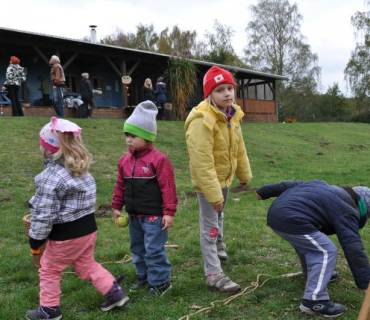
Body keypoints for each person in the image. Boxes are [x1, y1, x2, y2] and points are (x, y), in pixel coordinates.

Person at [26, 117, 129, 320]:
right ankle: (114, 292)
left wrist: (35, 239)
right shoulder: (82, 172)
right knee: (86, 264)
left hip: (66, 236)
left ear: (48, 149)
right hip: (87, 231)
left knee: (49, 268)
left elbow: (44, 213)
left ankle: (49, 309)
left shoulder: (50, 177)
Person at [256, 180, 370, 318]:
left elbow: (287, 185)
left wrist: (264, 191)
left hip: (276, 214)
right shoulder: (347, 209)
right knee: (326, 251)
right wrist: (366, 282)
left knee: (309, 244)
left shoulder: (321, 185)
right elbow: (354, 248)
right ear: (363, 208)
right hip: (292, 218)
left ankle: (312, 275)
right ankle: (314, 301)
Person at [184, 66, 252, 293]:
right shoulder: (203, 120)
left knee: (220, 214)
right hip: (208, 184)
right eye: (220, 90)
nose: (227, 94)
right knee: (210, 226)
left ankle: (219, 243)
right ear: (209, 95)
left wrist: (244, 174)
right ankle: (213, 274)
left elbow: (239, 148)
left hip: (224, 179)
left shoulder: (231, 115)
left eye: (230, 88)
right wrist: (213, 195)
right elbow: (201, 161)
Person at [111, 100, 178, 299]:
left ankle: (161, 283)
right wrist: (116, 206)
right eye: (127, 135)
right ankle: (144, 277)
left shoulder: (159, 160)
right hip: (133, 216)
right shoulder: (124, 161)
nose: (128, 140)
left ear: (148, 137)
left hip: (154, 217)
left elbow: (168, 188)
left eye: (133, 136)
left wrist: (168, 212)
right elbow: (120, 185)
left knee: (154, 250)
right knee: (137, 248)